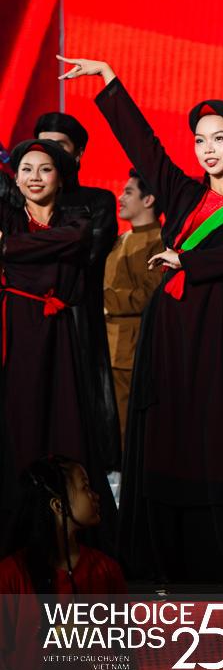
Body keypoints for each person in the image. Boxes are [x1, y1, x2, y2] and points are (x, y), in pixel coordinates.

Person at [60, 55, 223, 584]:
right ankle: (168, 554)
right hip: (169, 330)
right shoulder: (185, 195)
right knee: (170, 433)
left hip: (221, 327)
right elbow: (144, 147)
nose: (207, 148)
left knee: (220, 430)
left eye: (219, 138)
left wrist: (188, 260)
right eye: (200, 140)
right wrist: (110, 80)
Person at [0, 140, 116, 541]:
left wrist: (8, 247)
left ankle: (72, 526)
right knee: (20, 419)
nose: (35, 177)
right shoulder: (9, 215)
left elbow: (77, 240)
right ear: (16, 179)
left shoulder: (77, 219)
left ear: (61, 178)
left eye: (45, 169)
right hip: (17, 326)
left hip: (60, 331)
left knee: (64, 420)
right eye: (26, 169)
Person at [33, 112, 120, 470]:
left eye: (60, 146)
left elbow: (86, 258)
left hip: (78, 315)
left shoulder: (97, 201)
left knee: (82, 407)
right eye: (43, 146)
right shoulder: (18, 204)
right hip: (28, 317)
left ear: (79, 153)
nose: (50, 153)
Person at [0, 457, 126, 670]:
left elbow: (125, 649)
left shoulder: (107, 570)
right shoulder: (11, 574)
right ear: (58, 505)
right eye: (85, 487)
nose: (96, 496)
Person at [103, 169, 164, 439]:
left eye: (128, 192)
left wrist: (105, 299)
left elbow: (149, 295)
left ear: (149, 199)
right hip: (108, 347)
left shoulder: (161, 242)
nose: (120, 197)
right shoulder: (119, 240)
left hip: (134, 348)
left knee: (130, 427)